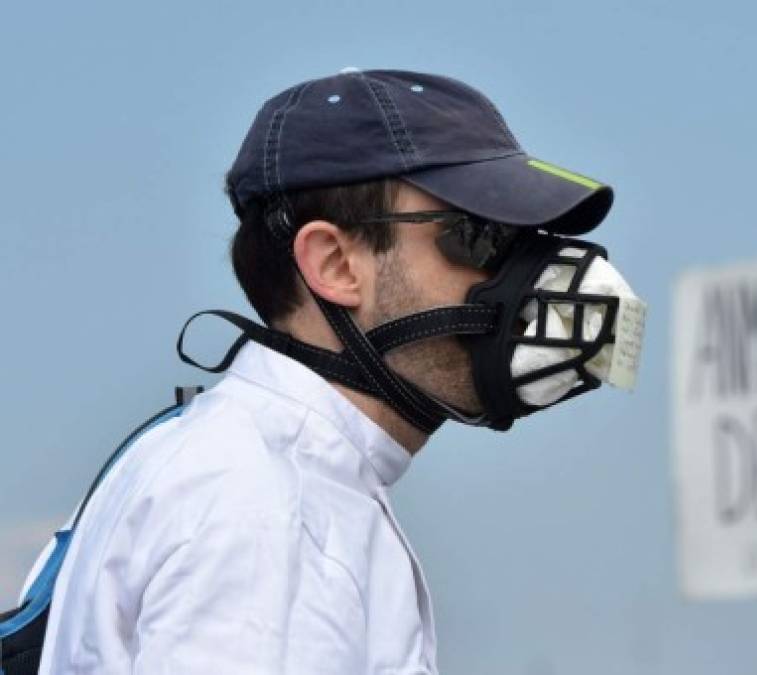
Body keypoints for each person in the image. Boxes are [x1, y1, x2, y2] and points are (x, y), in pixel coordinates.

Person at [25, 68, 639, 674]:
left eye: (523, 240)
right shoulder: (271, 507)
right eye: (479, 237)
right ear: (336, 264)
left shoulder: (236, 462)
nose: (530, 275)